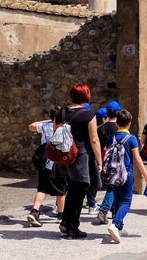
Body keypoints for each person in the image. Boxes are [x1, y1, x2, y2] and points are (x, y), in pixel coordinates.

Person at [52, 83, 101, 239]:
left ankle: (66, 221)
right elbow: (94, 140)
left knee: (72, 189)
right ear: (86, 96)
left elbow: (55, 133)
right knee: (79, 191)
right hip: (80, 155)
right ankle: (72, 226)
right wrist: (99, 160)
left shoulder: (61, 113)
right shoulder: (88, 115)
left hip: (63, 154)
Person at [104, 109, 147, 244]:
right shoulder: (131, 139)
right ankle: (115, 224)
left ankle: (119, 228)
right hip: (126, 173)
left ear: (116, 124)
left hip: (113, 174)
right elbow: (137, 159)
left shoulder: (111, 138)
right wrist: (146, 176)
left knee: (117, 200)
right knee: (126, 201)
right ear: (130, 123)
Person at [26, 107, 67, 227]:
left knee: (42, 189)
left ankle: (34, 211)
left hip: (45, 162)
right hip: (58, 163)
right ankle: (61, 214)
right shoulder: (64, 128)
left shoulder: (45, 126)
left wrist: (47, 121)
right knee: (61, 191)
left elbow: (31, 126)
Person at [93, 100, 121, 221]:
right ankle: (104, 210)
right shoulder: (119, 128)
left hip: (104, 160)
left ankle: (114, 212)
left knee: (112, 185)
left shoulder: (100, 129)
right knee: (113, 187)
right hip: (117, 161)